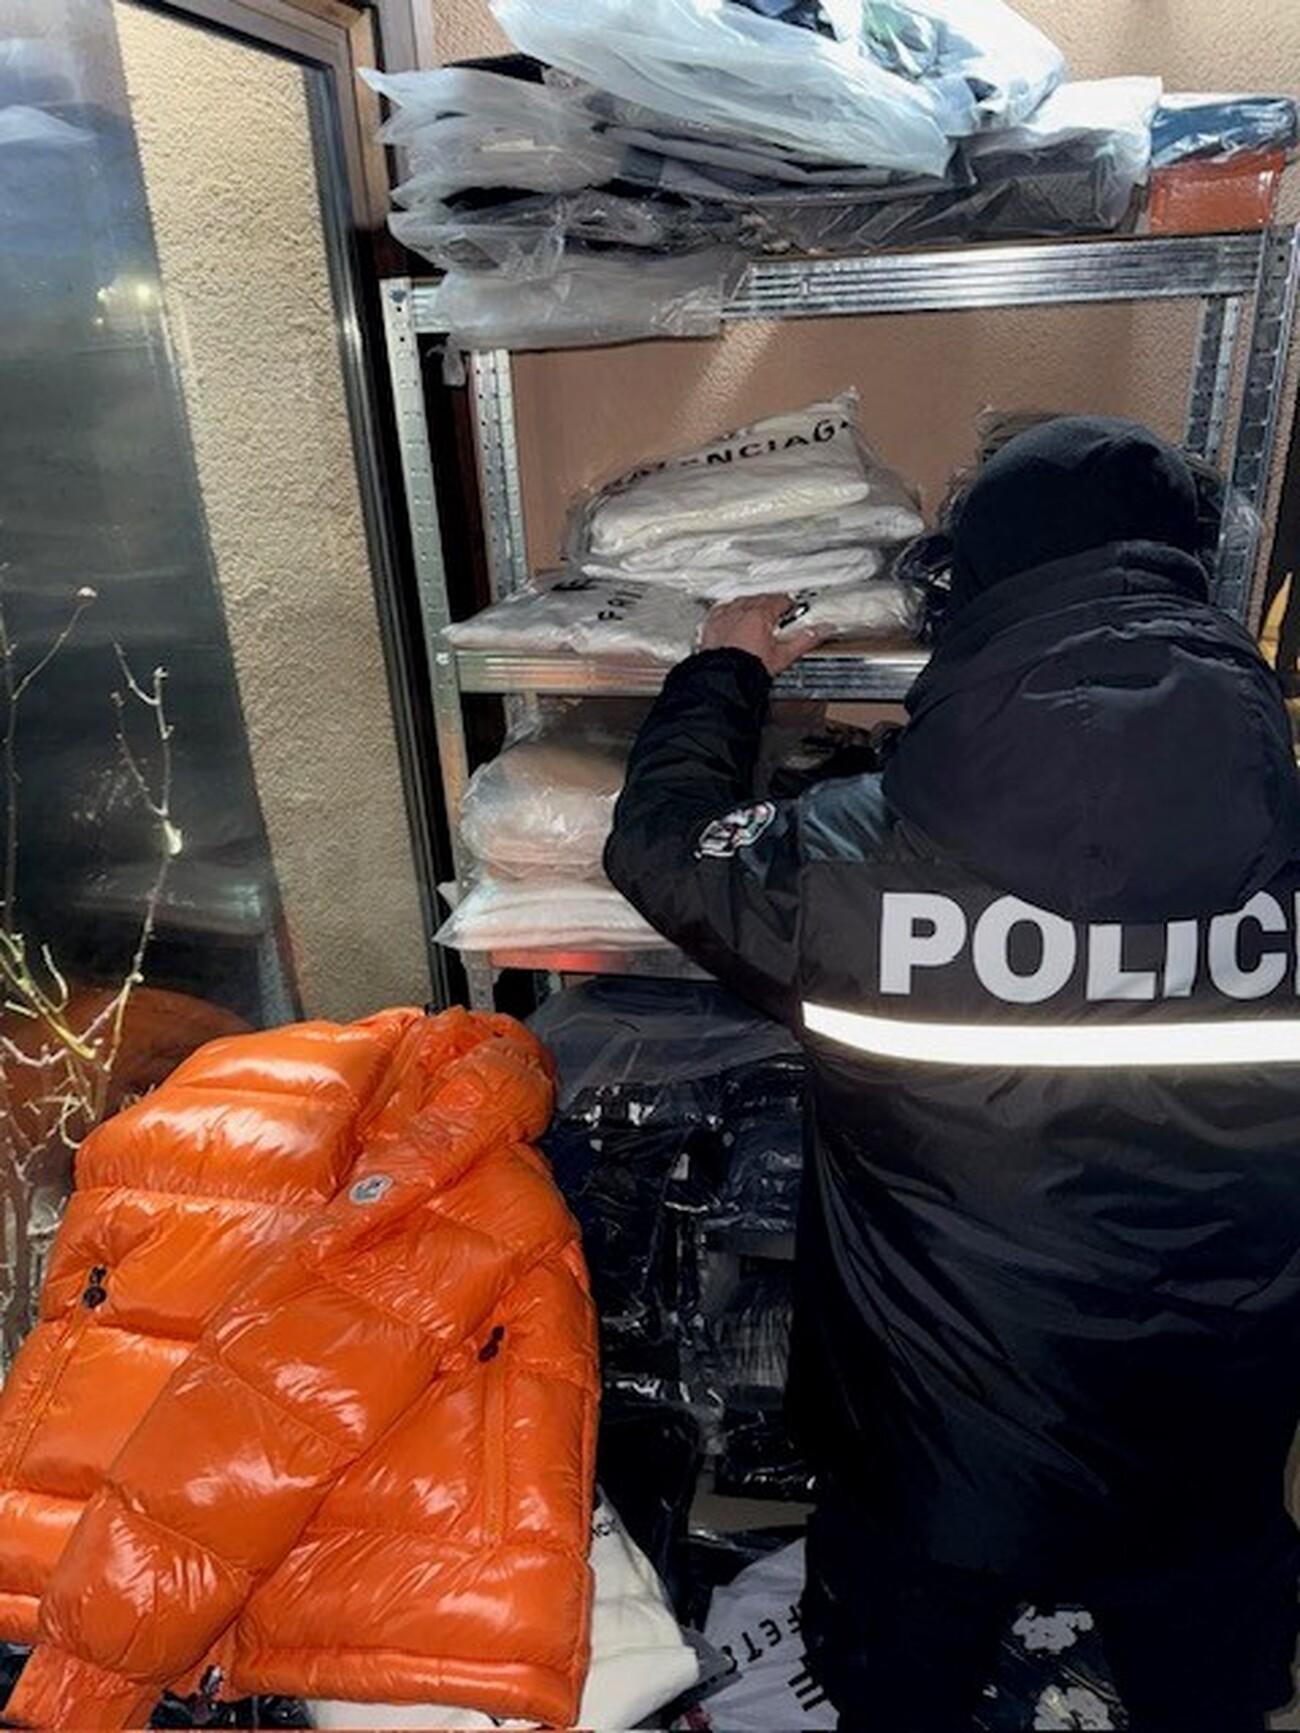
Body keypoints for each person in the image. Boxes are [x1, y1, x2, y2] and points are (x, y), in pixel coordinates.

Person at [604, 415, 1300, 1733]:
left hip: (935, 1459)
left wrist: (723, 670)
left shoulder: (858, 860)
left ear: (971, 592)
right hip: (1208, 1447)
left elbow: (662, 845)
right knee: (1206, 1696)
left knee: (898, 1700)